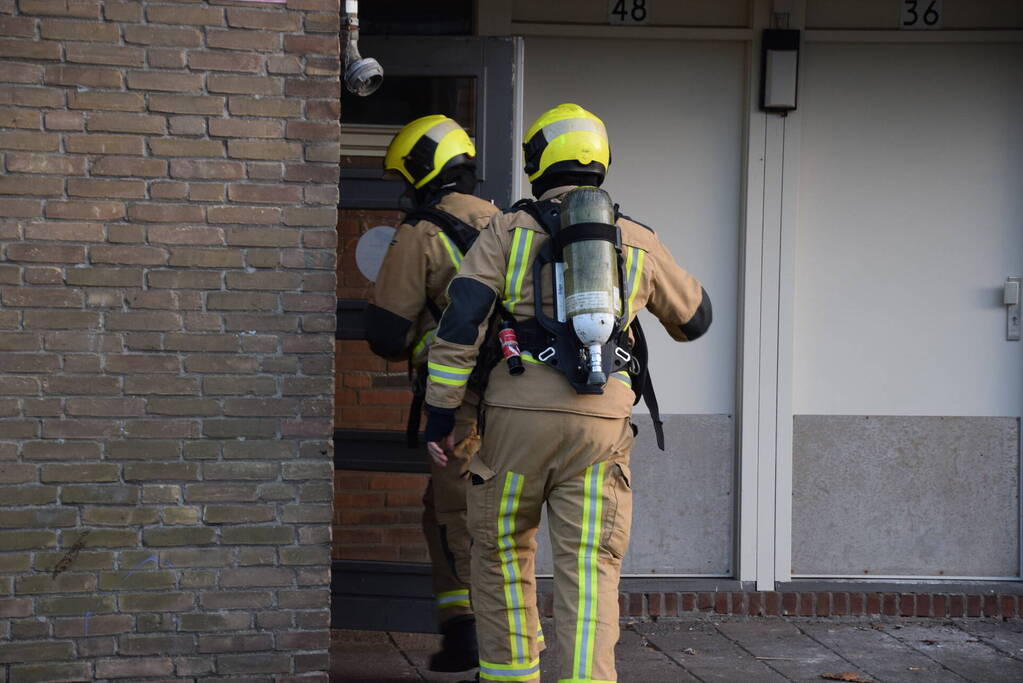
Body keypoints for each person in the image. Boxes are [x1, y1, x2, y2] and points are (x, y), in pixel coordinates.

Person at [423, 103, 712, 683]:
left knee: (502, 550)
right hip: (600, 426)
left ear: (538, 162)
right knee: (590, 566)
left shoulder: (506, 230)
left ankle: (511, 677)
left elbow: (462, 323)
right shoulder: (635, 239)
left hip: (515, 421)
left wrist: (440, 413)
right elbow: (695, 319)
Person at [364, 114, 499, 672]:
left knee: (457, 515)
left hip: (460, 404)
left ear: (423, 170)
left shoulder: (421, 232)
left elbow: (386, 335)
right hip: (522, 401)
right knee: (468, 512)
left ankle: (478, 639)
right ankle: (467, 629)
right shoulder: (509, 221)